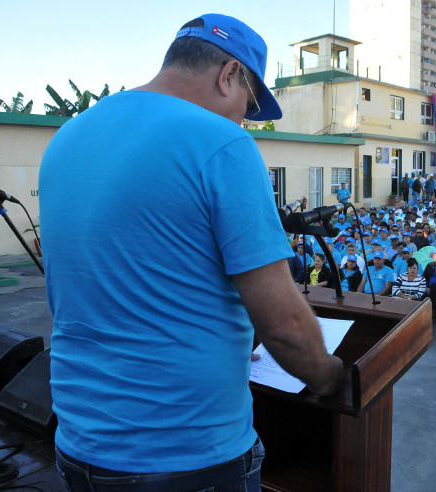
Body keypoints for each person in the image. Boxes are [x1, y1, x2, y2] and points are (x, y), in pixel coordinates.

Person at [39, 14, 343, 490]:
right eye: (248, 103)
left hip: (78, 446)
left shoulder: (69, 137)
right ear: (229, 75)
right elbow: (284, 328)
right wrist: (329, 377)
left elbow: (125, 284)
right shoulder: (222, 143)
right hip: (185, 455)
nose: (244, 119)